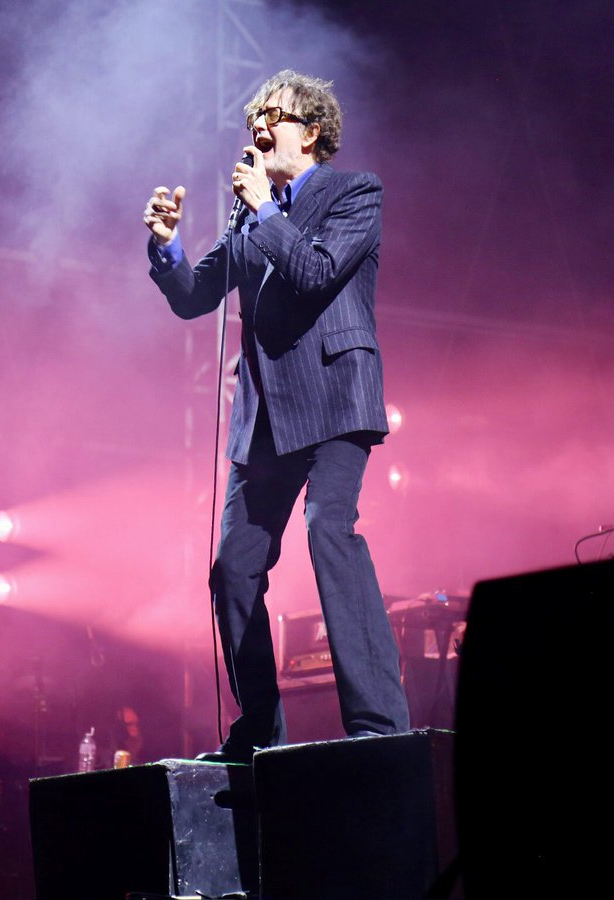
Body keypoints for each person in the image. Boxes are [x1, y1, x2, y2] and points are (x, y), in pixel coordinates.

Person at [142, 69, 410, 762]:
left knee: (330, 530)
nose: (258, 123)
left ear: (312, 130)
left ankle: (378, 725)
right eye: (252, 115)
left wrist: (265, 212)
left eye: (273, 114)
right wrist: (167, 247)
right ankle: (258, 729)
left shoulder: (353, 192)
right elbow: (196, 295)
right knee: (231, 571)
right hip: (265, 420)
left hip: (333, 395)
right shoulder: (248, 214)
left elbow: (319, 272)